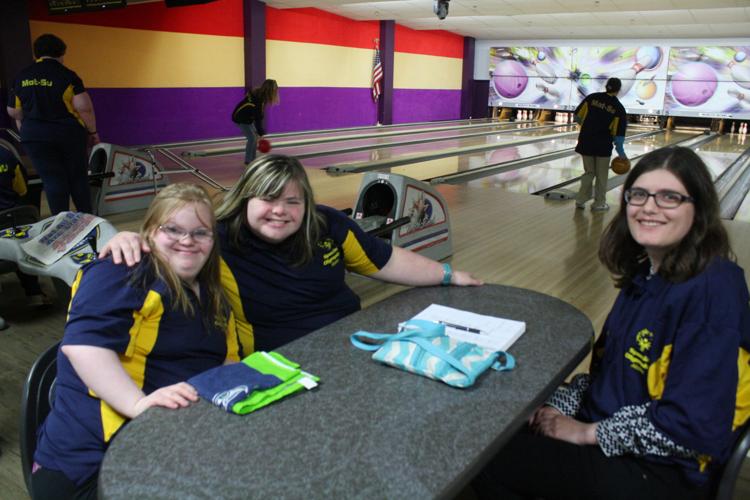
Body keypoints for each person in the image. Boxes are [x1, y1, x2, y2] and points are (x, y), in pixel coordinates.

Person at [474, 146, 750, 500]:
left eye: (670, 197)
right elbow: (615, 378)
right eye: (639, 194)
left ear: (699, 211)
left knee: (486, 458)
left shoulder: (713, 289)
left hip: (660, 471)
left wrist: (585, 432)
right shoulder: (646, 276)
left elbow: (691, 427)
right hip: (619, 438)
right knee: (494, 421)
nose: (649, 207)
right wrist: (558, 406)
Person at [101, 154, 482, 354]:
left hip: (352, 341)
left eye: (292, 201)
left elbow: (386, 260)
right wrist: (129, 238)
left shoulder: (327, 225)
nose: (279, 210)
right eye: (267, 198)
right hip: (279, 358)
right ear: (245, 199)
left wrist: (449, 275)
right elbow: (172, 237)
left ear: (306, 204)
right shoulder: (217, 238)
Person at [31, 183, 240, 499]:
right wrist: (138, 404)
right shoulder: (122, 269)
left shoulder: (212, 294)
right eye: (173, 229)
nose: (187, 240)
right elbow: (82, 346)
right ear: (150, 233)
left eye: (201, 233)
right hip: (93, 468)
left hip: (170, 448)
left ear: (213, 240)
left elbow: (229, 364)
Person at [6, 33, 100, 215]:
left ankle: (61, 224)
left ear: (37, 53)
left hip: (34, 136)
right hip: (68, 134)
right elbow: (84, 108)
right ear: (61, 53)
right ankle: (88, 221)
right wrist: (93, 132)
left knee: (52, 179)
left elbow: (14, 112)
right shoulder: (68, 75)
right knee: (78, 178)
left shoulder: (22, 76)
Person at [0, 144, 51, 307]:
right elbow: (21, 190)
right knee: (19, 242)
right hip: (12, 222)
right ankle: (34, 293)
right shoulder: (6, 156)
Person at [573, 77, 628, 212]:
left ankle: (580, 200)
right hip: (603, 146)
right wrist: (621, 154)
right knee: (601, 176)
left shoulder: (592, 98)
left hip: (586, 142)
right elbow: (618, 137)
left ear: (606, 86)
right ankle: (599, 204)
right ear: (618, 90)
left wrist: (588, 128)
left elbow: (577, 116)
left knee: (589, 172)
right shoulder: (619, 108)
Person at [231, 79, 279, 166]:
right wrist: (262, 134)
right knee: (252, 138)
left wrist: (260, 133)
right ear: (270, 91)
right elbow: (258, 119)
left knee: (254, 137)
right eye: (275, 91)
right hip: (240, 118)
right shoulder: (258, 100)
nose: (275, 93)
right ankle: (248, 161)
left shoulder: (259, 95)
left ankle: (252, 159)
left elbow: (258, 116)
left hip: (246, 117)